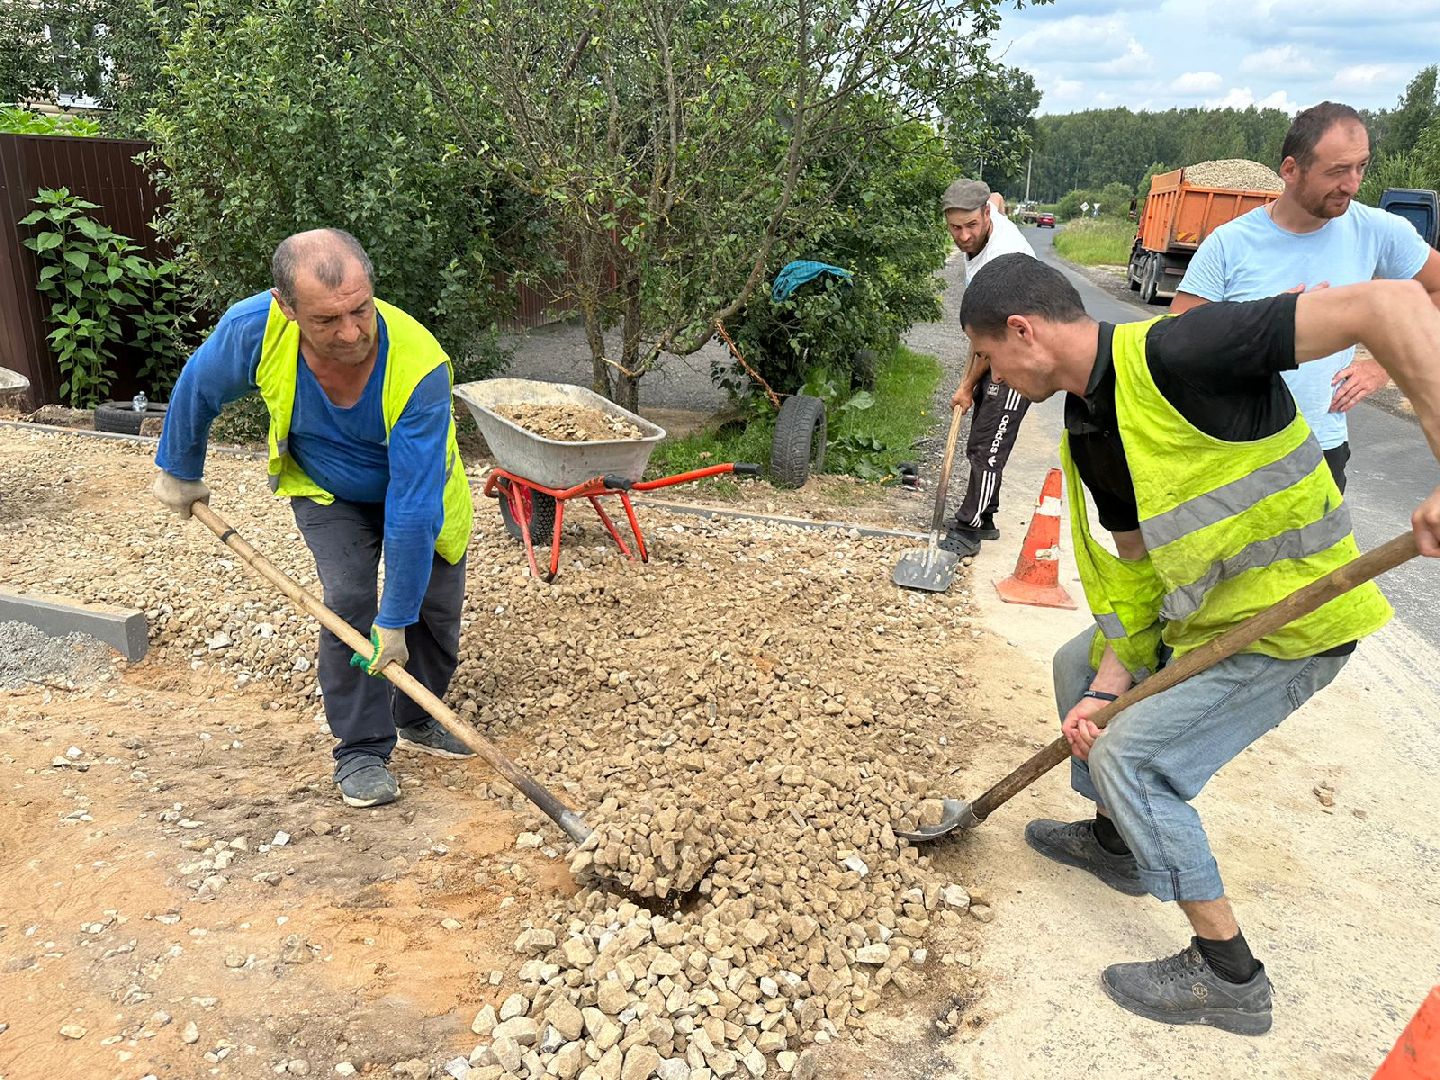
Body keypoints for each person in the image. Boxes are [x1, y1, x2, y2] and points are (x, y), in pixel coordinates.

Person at [959, 252, 1440, 1035]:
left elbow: (1388, 305)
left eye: (990, 358)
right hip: (1205, 620)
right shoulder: (1091, 429)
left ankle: (1229, 976)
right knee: (1076, 666)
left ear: (1025, 331)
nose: (991, 379)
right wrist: (1107, 689)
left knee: (1133, 757)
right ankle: (1118, 841)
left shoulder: (1182, 349)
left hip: (1294, 626)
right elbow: (1141, 579)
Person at [151, 229, 475, 809]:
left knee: (433, 607)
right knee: (349, 598)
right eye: (327, 321)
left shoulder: (420, 364)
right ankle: (361, 748)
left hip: (420, 491)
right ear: (286, 307)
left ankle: (419, 712)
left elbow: (412, 507)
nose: (351, 333)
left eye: (361, 309)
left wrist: (396, 620)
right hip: (328, 491)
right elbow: (199, 385)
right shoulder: (255, 328)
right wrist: (179, 468)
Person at [1172, 101, 1440, 492]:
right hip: (1230, 447)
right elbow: (1174, 342)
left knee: (1319, 557)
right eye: (1336, 171)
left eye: (1360, 166)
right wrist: (1262, 322)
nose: (1352, 184)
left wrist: (1382, 367)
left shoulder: (1380, 232)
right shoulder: (1230, 243)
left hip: (1319, 448)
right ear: (1291, 170)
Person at [940, 178, 1036, 555]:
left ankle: (971, 529)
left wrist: (965, 386)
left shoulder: (1001, 261)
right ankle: (987, 513)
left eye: (971, 226)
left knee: (986, 443)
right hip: (998, 343)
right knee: (984, 427)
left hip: (1023, 358)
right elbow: (997, 196)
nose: (963, 236)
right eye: (954, 227)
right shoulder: (988, 209)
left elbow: (991, 343)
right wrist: (970, 385)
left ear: (985, 217)